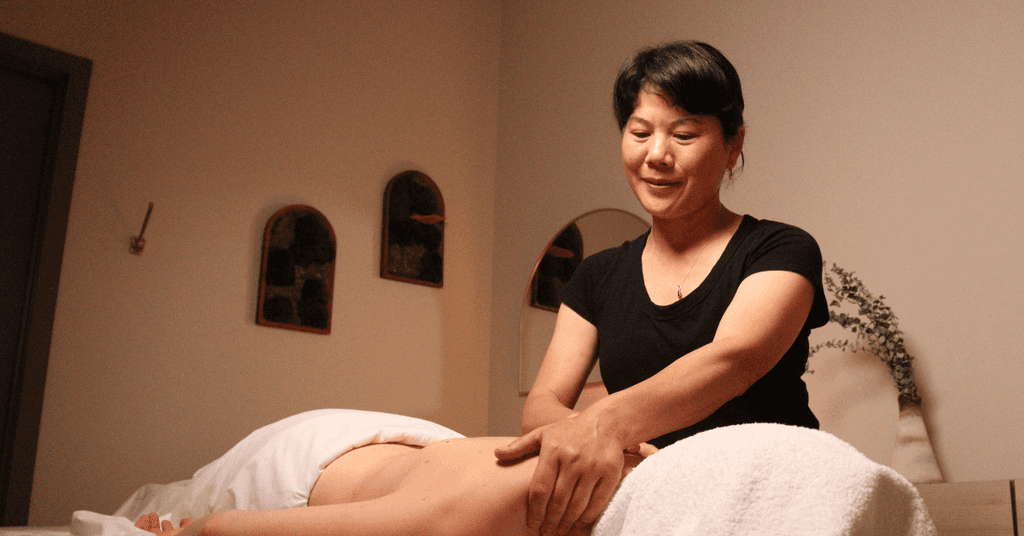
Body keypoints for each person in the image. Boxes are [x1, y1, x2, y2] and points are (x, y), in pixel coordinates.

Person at [494, 40, 830, 536]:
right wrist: (617, 450)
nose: (657, 155)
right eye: (639, 132)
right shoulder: (598, 275)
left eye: (685, 134)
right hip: (639, 482)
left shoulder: (780, 249)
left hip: (762, 484)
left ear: (733, 144)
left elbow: (731, 360)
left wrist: (604, 426)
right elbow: (542, 404)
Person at [134, 435, 649, 536]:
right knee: (181, 497)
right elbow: (221, 527)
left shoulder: (644, 456)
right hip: (303, 454)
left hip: (419, 448)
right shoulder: (479, 515)